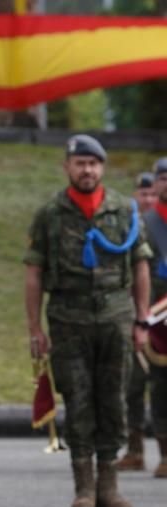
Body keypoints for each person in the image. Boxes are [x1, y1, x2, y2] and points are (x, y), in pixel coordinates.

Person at [24, 135, 151, 507]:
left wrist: (142, 318)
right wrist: (34, 328)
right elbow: (34, 273)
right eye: (79, 163)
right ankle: (84, 486)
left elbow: (139, 265)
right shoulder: (50, 214)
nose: (87, 170)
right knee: (78, 399)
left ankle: (109, 485)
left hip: (115, 317)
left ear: (103, 167)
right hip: (67, 319)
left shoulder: (124, 211)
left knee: (114, 398)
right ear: (67, 167)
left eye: (93, 163)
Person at [117, 170, 160, 471]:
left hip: (163, 313)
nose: (147, 198)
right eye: (142, 194)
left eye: (151, 194)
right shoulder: (134, 225)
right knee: (133, 383)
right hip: (141, 313)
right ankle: (135, 449)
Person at [139, 157, 167, 478]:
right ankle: (164, 452)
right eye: (163, 178)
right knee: (160, 385)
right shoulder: (144, 224)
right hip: (156, 315)